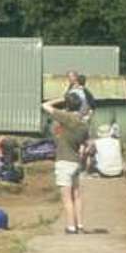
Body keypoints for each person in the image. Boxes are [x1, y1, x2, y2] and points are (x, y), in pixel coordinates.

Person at [42, 92, 88, 235]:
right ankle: (79, 224)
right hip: (75, 162)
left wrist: (61, 99)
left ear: (68, 104)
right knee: (77, 196)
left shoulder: (66, 117)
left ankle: (70, 227)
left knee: (66, 198)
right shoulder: (83, 125)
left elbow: (45, 105)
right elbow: (84, 145)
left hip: (64, 161)